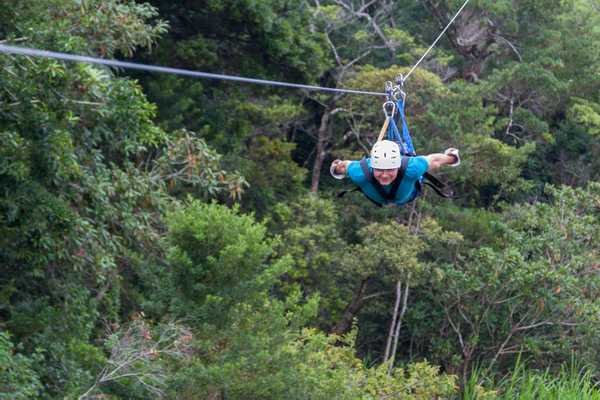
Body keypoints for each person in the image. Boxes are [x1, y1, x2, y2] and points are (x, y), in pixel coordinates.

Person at [330, 140, 460, 207]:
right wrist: (336, 168)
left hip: (409, 194)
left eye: (390, 169)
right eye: (380, 170)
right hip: (400, 195)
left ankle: (401, 153)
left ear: (397, 166)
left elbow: (434, 160)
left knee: (414, 165)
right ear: (372, 166)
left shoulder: (411, 168)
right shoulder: (361, 172)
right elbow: (345, 166)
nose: (385, 175)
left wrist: (452, 158)